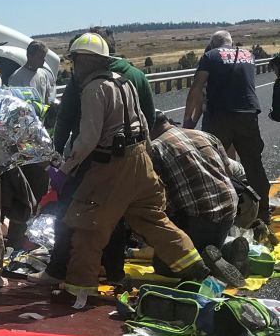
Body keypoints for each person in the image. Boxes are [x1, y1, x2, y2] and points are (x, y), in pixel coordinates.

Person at [56, 33, 206, 307]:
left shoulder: (93, 89)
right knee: (152, 219)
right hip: (140, 161)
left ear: (84, 61)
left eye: (75, 61)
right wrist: (146, 161)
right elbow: (145, 124)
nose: (73, 68)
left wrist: (65, 169)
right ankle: (193, 266)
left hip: (112, 167)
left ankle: (79, 289)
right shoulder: (124, 82)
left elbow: (87, 140)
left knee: (89, 226)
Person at [183, 31, 270, 226]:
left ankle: (219, 215)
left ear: (213, 44)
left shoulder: (211, 56)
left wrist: (188, 122)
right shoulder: (249, 55)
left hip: (219, 116)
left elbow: (197, 88)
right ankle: (263, 213)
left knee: (214, 165)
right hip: (248, 115)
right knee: (254, 165)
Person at [148, 112, 246, 281]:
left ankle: (205, 262)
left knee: (163, 264)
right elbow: (229, 172)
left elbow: (158, 197)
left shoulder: (155, 148)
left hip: (197, 219)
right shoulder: (205, 135)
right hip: (229, 213)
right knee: (208, 244)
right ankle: (224, 251)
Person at [7, 41, 55, 108]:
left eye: (44, 57)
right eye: (40, 57)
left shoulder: (43, 74)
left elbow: (47, 98)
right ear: (30, 56)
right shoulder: (16, 78)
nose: (43, 60)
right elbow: (14, 104)